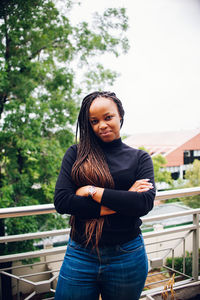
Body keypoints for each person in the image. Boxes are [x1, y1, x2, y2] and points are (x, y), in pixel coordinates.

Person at [54, 91, 156, 300]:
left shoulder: (140, 158)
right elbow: (63, 201)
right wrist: (125, 199)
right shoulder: (76, 154)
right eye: (94, 121)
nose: (102, 125)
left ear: (120, 116)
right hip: (81, 253)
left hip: (127, 255)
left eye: (108, 117)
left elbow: (143, 204)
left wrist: (92, 191)